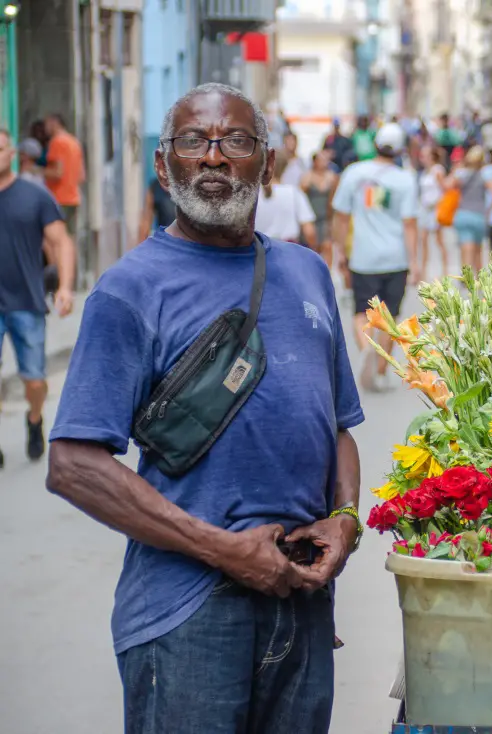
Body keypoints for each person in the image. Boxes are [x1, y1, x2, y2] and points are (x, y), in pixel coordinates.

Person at [46, 82, 364, 733]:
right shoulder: (130, 289)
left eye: (236, 141)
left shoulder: (306, 273)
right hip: (188, 611)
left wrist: (345, 519)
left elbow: (338, 426)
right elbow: (72, 464)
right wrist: (222, 548)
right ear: (166, 166)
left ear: (267, 164)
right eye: (195, 142)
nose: (214, 157)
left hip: (302, 600)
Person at [0, 128, 75, 468]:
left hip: (25, 301)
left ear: (11, 153)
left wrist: (64, 287)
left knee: (34, 378)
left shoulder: (35, 196)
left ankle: (34, 418)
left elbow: (61, 242)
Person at [332, 122, 419, 392]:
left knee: (362, 312)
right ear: (401, 149)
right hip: (396, 258)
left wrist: (339, 250)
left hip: (363, 257)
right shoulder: (405, 179)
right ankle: (381, 370)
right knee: (390, 316)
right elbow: (410, 225)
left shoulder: (354, 173)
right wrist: (416, 262)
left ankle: (366, 346)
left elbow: (341, 216)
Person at [444, 145, 492, 274]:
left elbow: (447, 186)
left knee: (465, 246)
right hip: (479, 214)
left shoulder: (461, 174)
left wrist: (456, 168)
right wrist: (489, 208)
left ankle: (466, 275)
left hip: (463, 213)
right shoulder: (484, 175)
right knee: (477, 249)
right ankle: (479, 276)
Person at [255, 153, 318, 251]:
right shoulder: (293, 192)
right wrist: (314, 250)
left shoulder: (254, 194)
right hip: (288, 250)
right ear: (286, 168)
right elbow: (309, 230)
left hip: (259, 250)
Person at [42, 113, 85, 246]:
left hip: (58, 198)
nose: (45, 128)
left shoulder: (57, 142)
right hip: (73, 198)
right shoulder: (74, 142)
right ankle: (71, 267)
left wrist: (37, 171)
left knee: (53, 240)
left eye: (47, 124)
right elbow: (82, 176)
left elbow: (57, 172)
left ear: (54, 123)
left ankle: (59, 267)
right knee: (69, 238)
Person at [301, 150, 339, 268]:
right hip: (311, 217)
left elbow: (334, 199)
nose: (324, 162)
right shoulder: (307, 177)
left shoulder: (332, 177)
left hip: (325, 217)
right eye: (321, 159)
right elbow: (301, 197)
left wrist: (332, 219)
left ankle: (327, 274)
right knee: (313, 247)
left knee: (327, 246)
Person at [417, 145, 449, 278]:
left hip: (435, 208)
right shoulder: (425, 171)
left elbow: (445, 188)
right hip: (425, 208)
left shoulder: (438, 170)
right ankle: (423, 271)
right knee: (423, 239)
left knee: (439, 240)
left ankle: (445, 271)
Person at [136, 177, 177, 245]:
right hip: (165, 243)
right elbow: (146, 221)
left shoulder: (188, 184)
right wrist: (141, 250)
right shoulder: (155, 187)